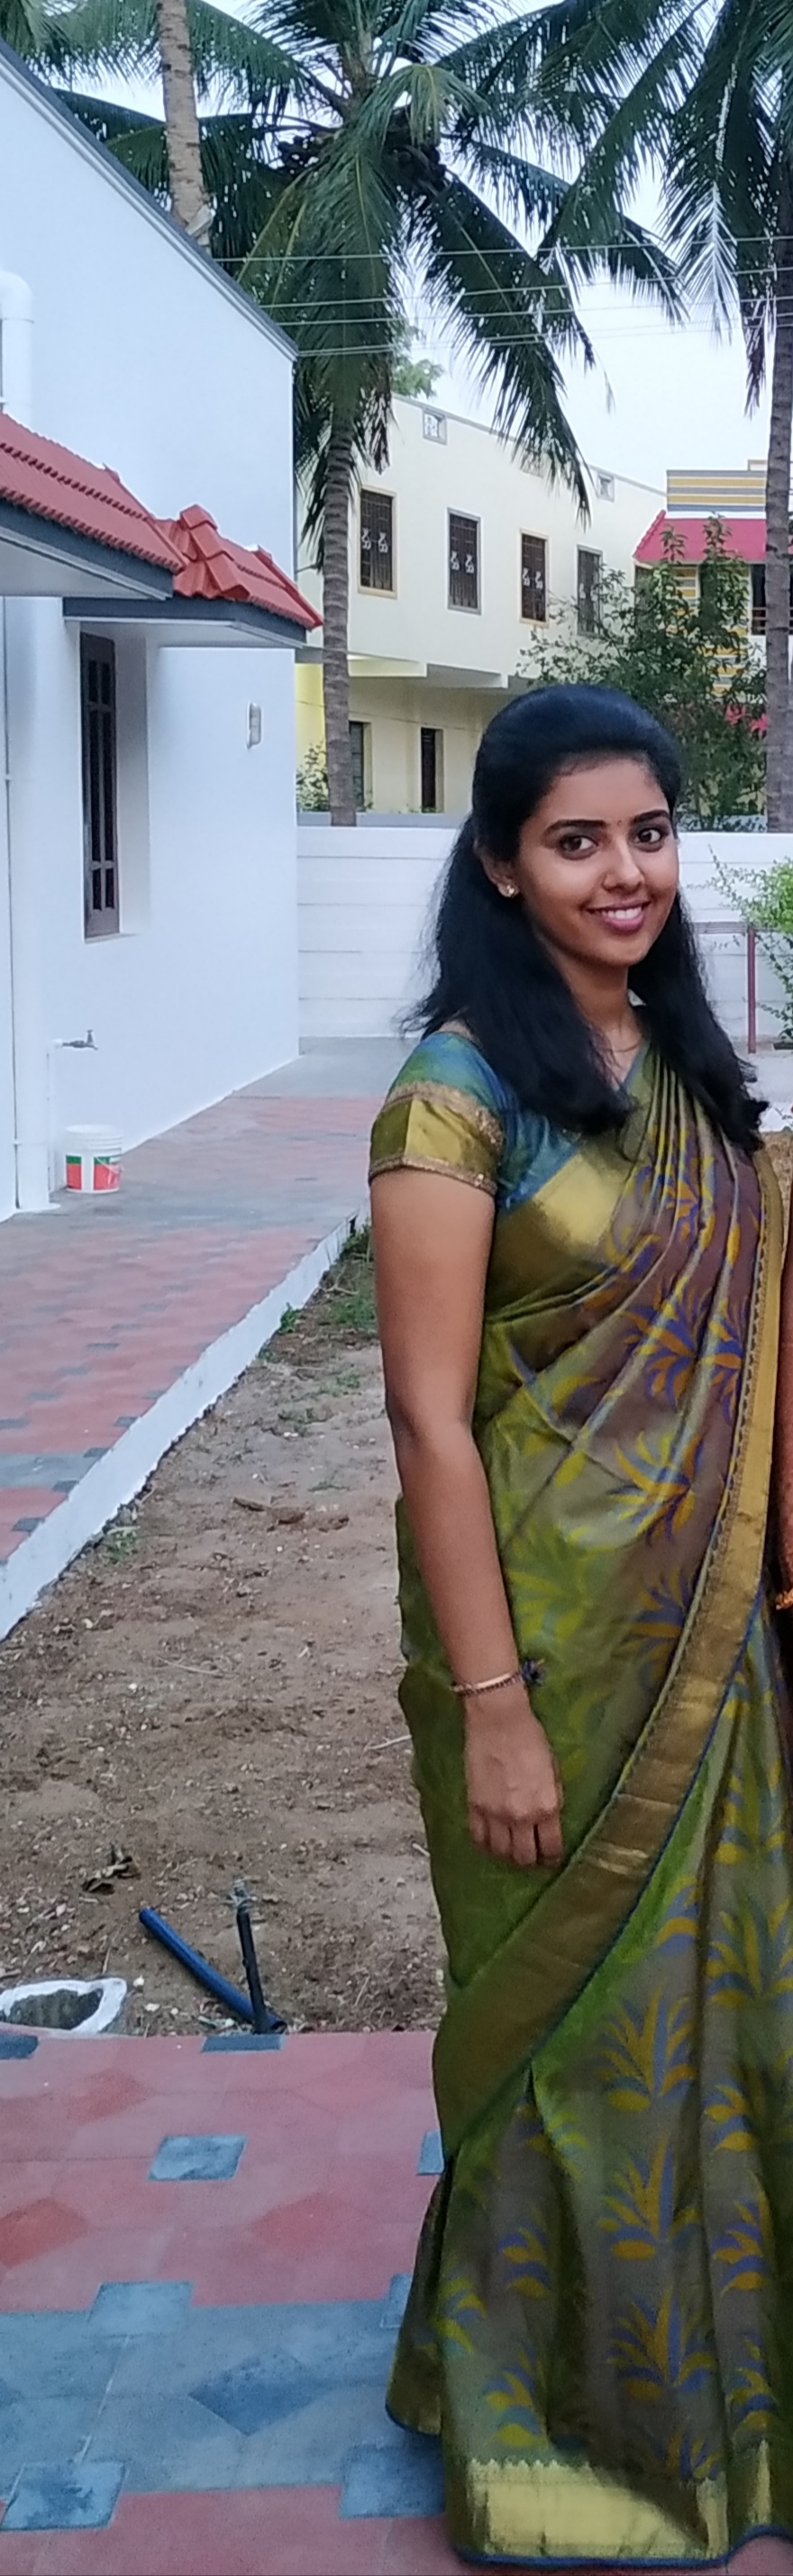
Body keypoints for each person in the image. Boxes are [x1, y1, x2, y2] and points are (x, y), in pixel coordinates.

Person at [369, 685, 793, 2571]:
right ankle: (545, 2430)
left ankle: (723, 2405)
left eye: (648, 832)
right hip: (542, 1649)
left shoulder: (687, 1064)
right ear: (497, 863)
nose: (624, 872)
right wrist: (493, 1706)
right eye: (574, 841)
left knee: (726, 2021)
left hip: (710, 1634)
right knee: (567, 2051)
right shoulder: (455, 1097)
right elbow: (425, 1418)